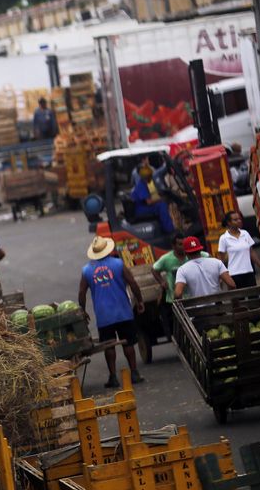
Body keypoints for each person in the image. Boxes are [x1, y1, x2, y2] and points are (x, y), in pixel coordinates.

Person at [78, 236, 146, 388]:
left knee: (108, 345)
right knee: (128, 343)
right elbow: (132, 282)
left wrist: (82, 311)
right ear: (107, 250)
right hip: (123, 311)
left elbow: (82, 293)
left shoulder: (87, 270)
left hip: (104, 315)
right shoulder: (118, 264)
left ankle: (113, 377)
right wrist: (140, 300)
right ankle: (134, 373)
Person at [151, 232, 210, 337]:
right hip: (175, 299)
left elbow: (208, 257)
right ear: (173, 246)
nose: (183, 247)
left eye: (184, 244)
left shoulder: (193, 255)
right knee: (180, 329)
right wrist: (162, 282)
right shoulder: (166, 259)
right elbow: (154, 269)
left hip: (194, 297)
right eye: (180, 244)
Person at [217, 211, 260, 288]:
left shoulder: (245, 234)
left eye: (239, 219)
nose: (239, 221)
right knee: (239, 298)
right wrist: (221, 276)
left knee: (254, 297)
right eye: (235, 219)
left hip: (249, 272)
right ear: (229, 223)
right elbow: (221, 259)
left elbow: (252, 252)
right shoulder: (223, 238)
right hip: (234, 275)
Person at [131, 164, 175, 233]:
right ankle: (170, 230)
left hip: (141, 207)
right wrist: (162, 198)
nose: (151, 178)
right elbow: (149, 202)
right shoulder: (141, 185)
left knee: (160, 204)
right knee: (162, 205)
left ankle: (164, 227)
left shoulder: (143, 184)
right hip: (140, 210)